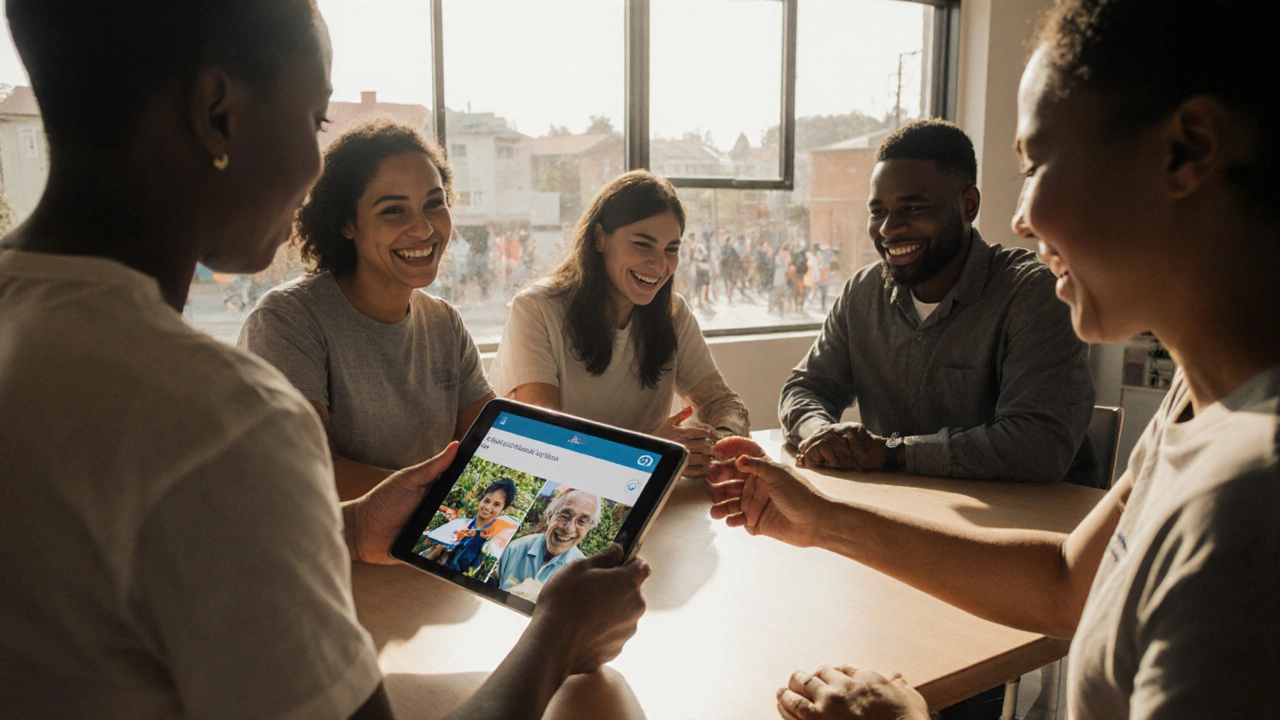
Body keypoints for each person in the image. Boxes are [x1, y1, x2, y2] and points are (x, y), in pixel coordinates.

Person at [0, 3, 649, 719]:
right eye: (312, 120)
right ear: (218, 113)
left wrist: (350, 526)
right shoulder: (223, 420)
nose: (313, 169)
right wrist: (559, 633)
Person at [708, 1, 1279, 718]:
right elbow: (1065, 584)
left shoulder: (1251, 501)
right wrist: (824, 521)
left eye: (1037, 162)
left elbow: (1038, 450)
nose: (1022, 215)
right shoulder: (1191, 407)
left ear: (1187, 150)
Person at [779, 119, 1098, 486]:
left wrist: (890, 451)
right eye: (878, 211)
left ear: (969, 205)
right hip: (906, 513)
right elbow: (804, 389)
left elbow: (1038, 447)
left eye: (913, 209)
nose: (888, 228)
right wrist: (820, 433)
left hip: (1034, 524)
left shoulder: (1034, 294)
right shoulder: (862, 294)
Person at [238, 119, 495, 501]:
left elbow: (493, 448)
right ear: (346, 223)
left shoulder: (445, 324)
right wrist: (442, 503)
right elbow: (308, 468)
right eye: (394, 211)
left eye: (434, 203)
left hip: (424, 548)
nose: (424, 229)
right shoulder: (287, 319)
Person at [487, 171, 750, 478]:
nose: (660, 265)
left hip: (636, 493)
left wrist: (715, 443)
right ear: (599, 237)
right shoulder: (535, 309)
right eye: (643, 244)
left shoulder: (674, 313)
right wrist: (651, 452)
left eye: (671, 249)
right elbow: (548, 444)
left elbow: (723, 402)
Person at [497, 489, 600, 594]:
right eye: (564, 516)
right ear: (549, 516)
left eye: (582, 521)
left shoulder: (585, 576)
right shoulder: (515, 548)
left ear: (589, 528)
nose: (569, 529)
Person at [445, 478, 518, 576]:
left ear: (502, 509)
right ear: (481, 500)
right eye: (486, 501)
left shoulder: (490, 542)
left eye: (496, 504)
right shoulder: (462, 524)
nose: (488, 507)